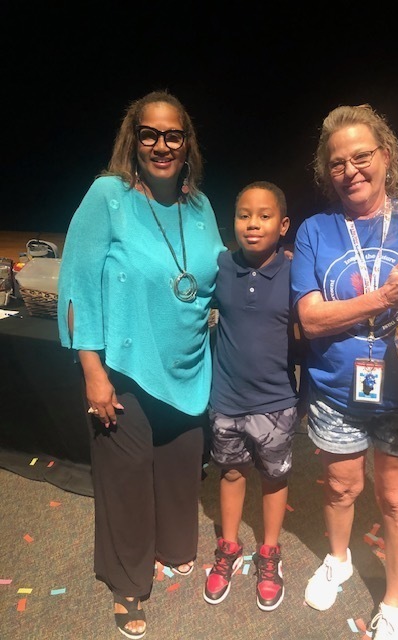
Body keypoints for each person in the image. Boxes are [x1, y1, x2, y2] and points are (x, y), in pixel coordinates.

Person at [57, 89, 225, 639]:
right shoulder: (108, 195)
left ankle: (172, 547)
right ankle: (126, 583)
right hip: (124, 367)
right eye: (150, 134)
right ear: (134, 140)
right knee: (126, 479)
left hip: (188, 363)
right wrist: (92, 371)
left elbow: (214, 275)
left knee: (180, 467)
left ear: (186, 142)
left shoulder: (200, 207)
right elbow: (78, 285)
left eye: (173, 135)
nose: (161, 145)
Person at [290, 104, 398, 640]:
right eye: (337, 163)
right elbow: (311, 320)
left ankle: (395, 601)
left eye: (361, 157)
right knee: (341, 488)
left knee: (397, 499)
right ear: (326, 171)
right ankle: (338, 560)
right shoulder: (316, 231)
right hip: (336, 391)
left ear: (386, 157)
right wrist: (386, 297)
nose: (350, 170)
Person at [203, 181, 299, 612]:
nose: (253, 224)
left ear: (283, 225)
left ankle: (269, 552)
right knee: (231, 473)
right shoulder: (221, 265)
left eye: (264, 216)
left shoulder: (295, 271)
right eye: (244, 215)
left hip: (276, 402)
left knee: (274, 477)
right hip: (226, 399)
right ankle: (229, 547)